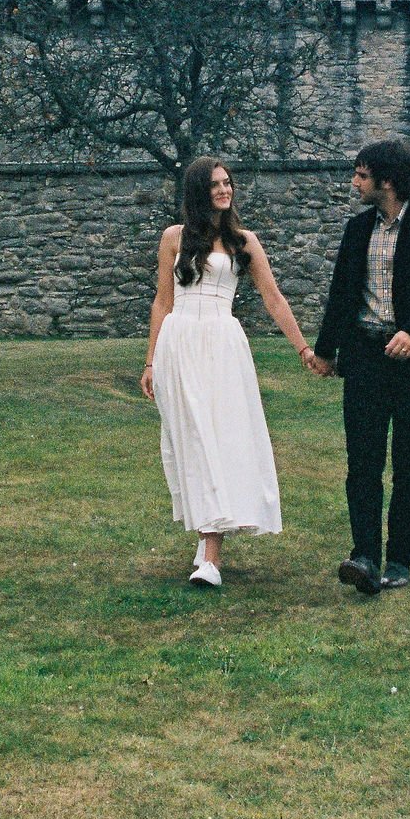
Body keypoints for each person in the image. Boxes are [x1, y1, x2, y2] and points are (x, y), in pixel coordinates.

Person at [141, 156, 320, 588]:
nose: (225, 190)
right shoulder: (173, 238)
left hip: (222, 344)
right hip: (179, 342)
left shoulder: (244, 241)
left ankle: (210, 557)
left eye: (228, 183)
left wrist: (302, 348)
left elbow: (273, 299)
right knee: (192, 441)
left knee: (217, 439)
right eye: (216, 185)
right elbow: (163, 302)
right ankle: (207, 547)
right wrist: (150, 361)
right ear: (199, 192)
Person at [306, 138, 410, 595]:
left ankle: (399, 559)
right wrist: (326, 351)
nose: (354, 183)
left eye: (360, 175)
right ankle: (364, 556)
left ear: (386, 181)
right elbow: (341, 294)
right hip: (365, 361)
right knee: (363, 462)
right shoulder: (358, 231)